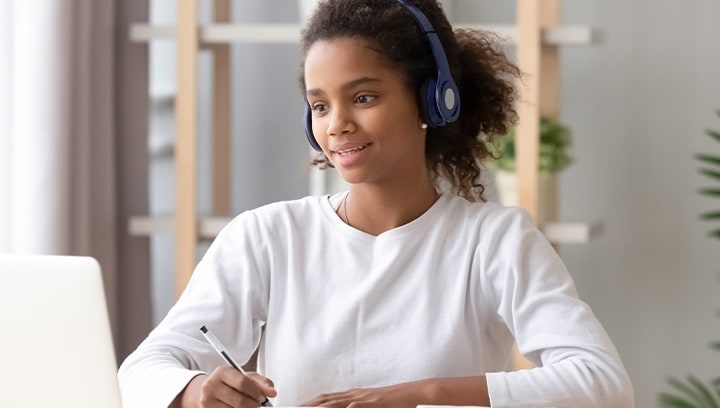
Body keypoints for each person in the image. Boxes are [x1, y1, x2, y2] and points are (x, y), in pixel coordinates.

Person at [118, 0, 634, 407]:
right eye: (320, 105)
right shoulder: (266, 236)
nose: (336, 123)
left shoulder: (495, 241)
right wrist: (193, 392)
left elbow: (603, 385)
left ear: (433, 99)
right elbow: (143, 369)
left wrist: (420, 395)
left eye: (363, 97)